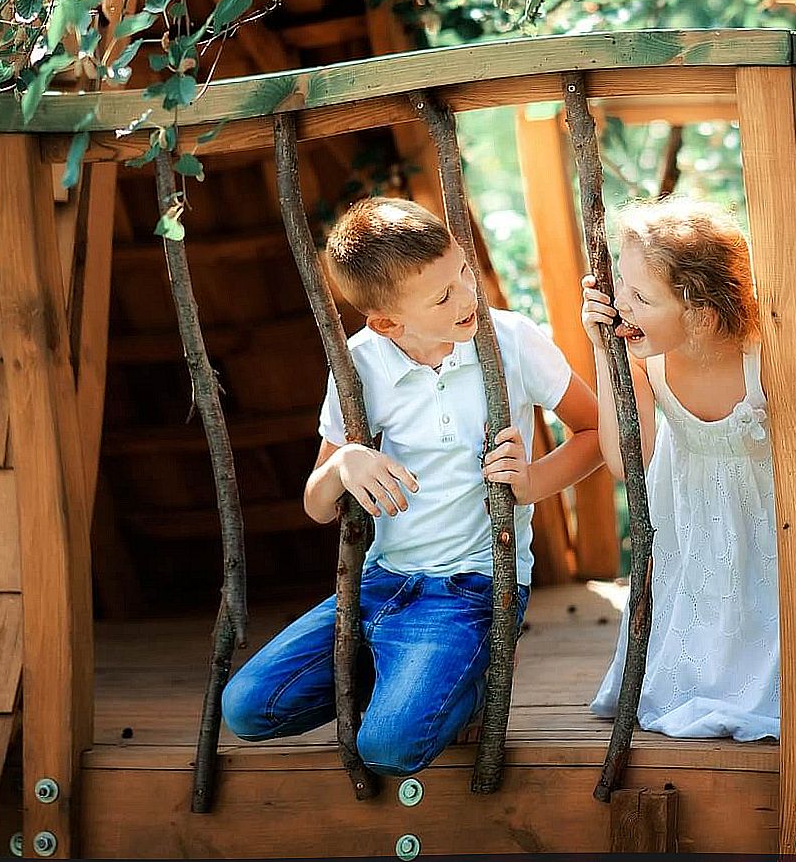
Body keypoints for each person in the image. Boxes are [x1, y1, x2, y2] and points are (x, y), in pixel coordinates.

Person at [221, 197, 604, 775]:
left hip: (472, 588)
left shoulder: (512, 340)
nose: (468, 298)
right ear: (387, 322)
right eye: (443, 296)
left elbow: (595, 429)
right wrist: (345, 462)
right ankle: (412, 673)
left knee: (388, 748)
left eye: (463, 275)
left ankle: (469, 677)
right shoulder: (360, 362)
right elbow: (318, 505)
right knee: (248, 708)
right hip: (381, 583)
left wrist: (531, 483)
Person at [584, 196, 796, 741]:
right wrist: (601, 352)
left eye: (640, 297)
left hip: (772, 547)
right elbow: (625, 464)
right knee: (690, 668)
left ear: (702, 315)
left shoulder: (765, 358)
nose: (621, 304)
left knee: (774, 672)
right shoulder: (646, 361)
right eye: (622, 285)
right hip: (692, 545)